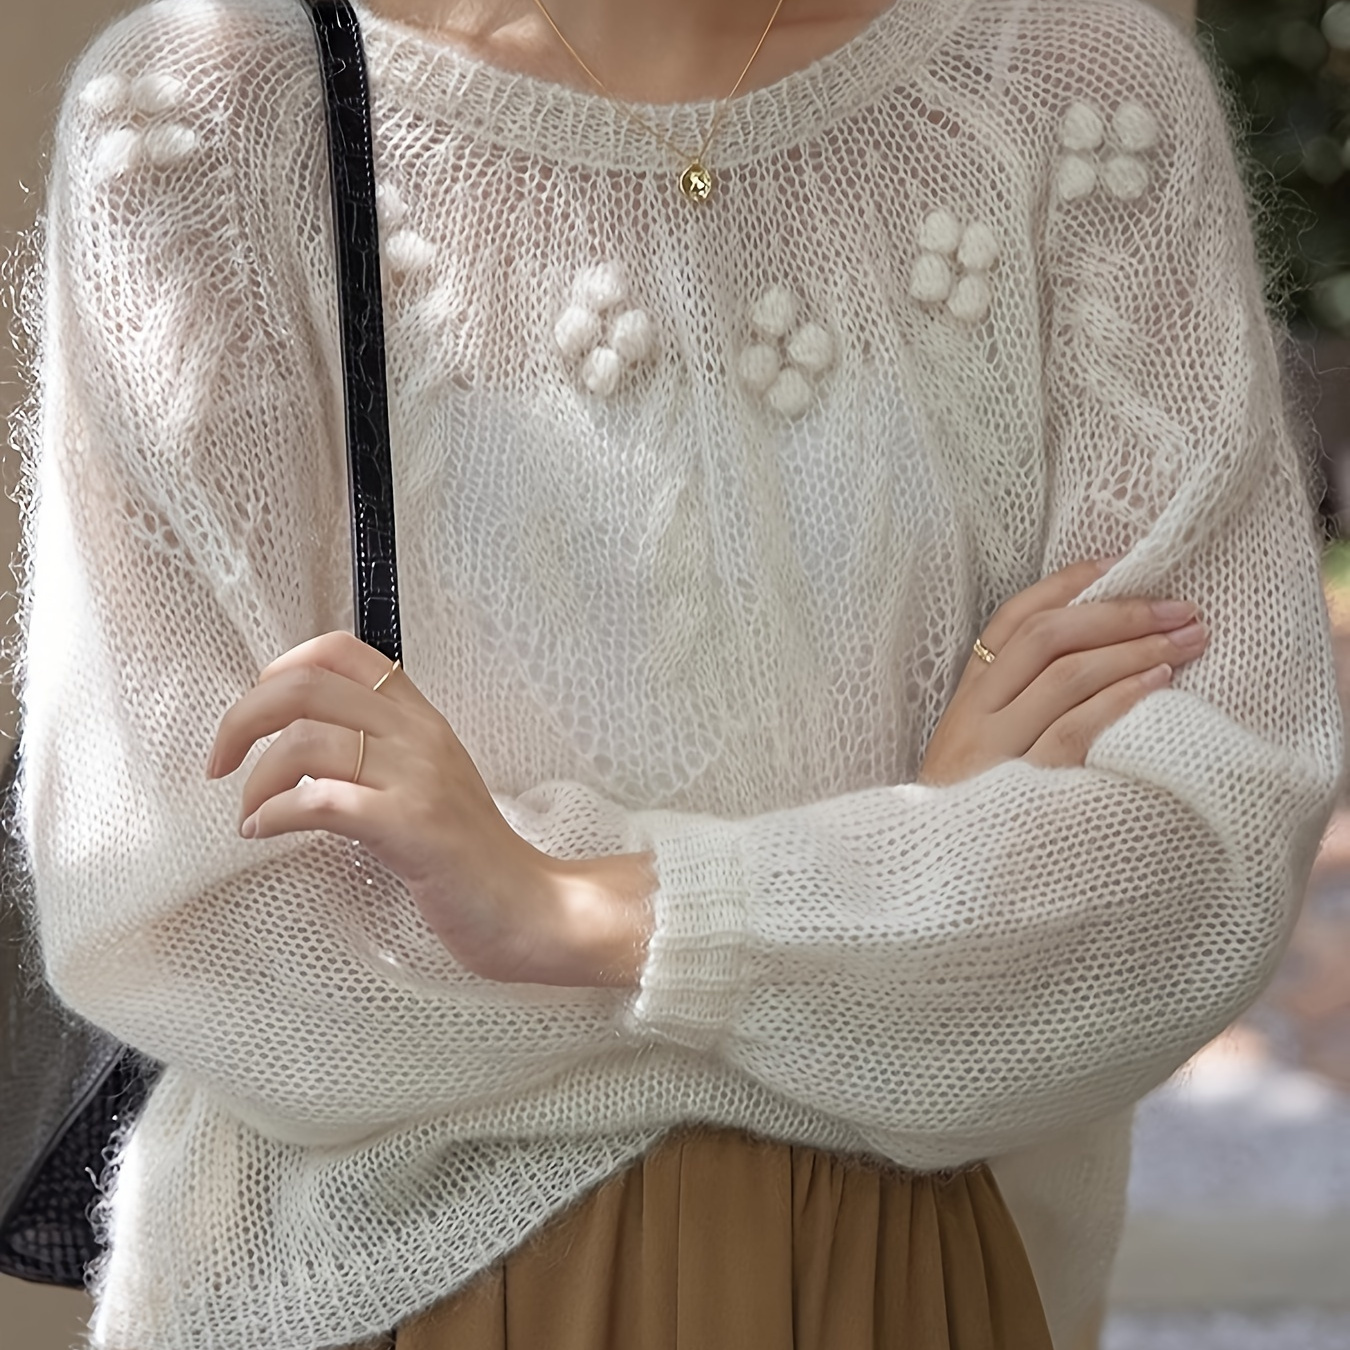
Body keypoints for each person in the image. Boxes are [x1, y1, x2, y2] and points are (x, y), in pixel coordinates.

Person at [13, 0, 1342, 1344]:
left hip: (904, 1288)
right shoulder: (212, 119)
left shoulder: (1069, 94)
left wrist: (574, 910)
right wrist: (904, 885)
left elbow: (1188, 864)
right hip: (383, 1301)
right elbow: (202, 925)